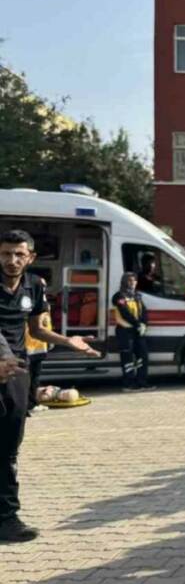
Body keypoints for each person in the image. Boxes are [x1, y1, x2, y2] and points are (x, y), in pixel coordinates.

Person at [1, 229, 100, 543]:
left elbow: (36, 330)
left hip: (17, 373)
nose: (12, 260)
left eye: (19, 254)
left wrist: (68, 341)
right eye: (5, 253)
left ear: (30, 257)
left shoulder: (33, 286)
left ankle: (7, 518)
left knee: (8, 449)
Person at [111, 272, 153, 392]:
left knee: (142, 357)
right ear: (124, 282)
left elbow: (143, 311)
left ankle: (142, 382)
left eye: (134, 281)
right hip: (125, 331)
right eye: (130, 281)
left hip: (138, 331)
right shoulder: (118, 297)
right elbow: (125, 312)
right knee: (127, 359)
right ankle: (128, 384)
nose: (133, 283)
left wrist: (144, 324)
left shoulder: (137, 296)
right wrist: (138, 324)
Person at [24, 281, 51, 415]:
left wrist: (50, 341)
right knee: (27, 379)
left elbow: (47, 323)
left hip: (40, 346)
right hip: (29, 346)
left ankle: (32, 403)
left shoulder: (42, 302)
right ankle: (27, 405)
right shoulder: (28, 303)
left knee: (35, 378)